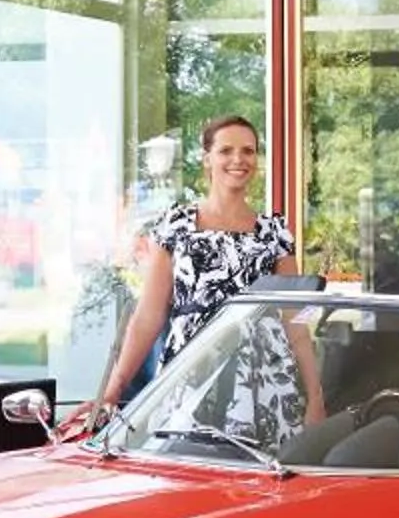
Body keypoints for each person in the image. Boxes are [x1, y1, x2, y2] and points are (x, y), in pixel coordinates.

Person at [64, 116, 323, 439]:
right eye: (226, 150)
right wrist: (112, 392)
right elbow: (148, 316)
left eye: (248, 151)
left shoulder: (275, 233)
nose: (238, 160)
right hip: (190, 373)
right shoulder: (176, 225)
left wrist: (316, 397)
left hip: (263, 380)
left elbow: (295, 322)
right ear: (207, 159)